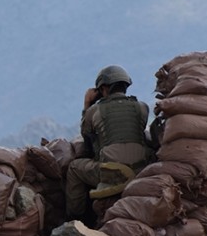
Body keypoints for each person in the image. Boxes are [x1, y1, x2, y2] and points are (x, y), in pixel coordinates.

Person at [65, 65, 155, 223]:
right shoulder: (142, 108)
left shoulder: (94, 111)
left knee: (74, 168)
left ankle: (77, 219)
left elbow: (86, 137)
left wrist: (87, 104)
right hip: (141, 169)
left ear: (103, 88)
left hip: (112, 173)